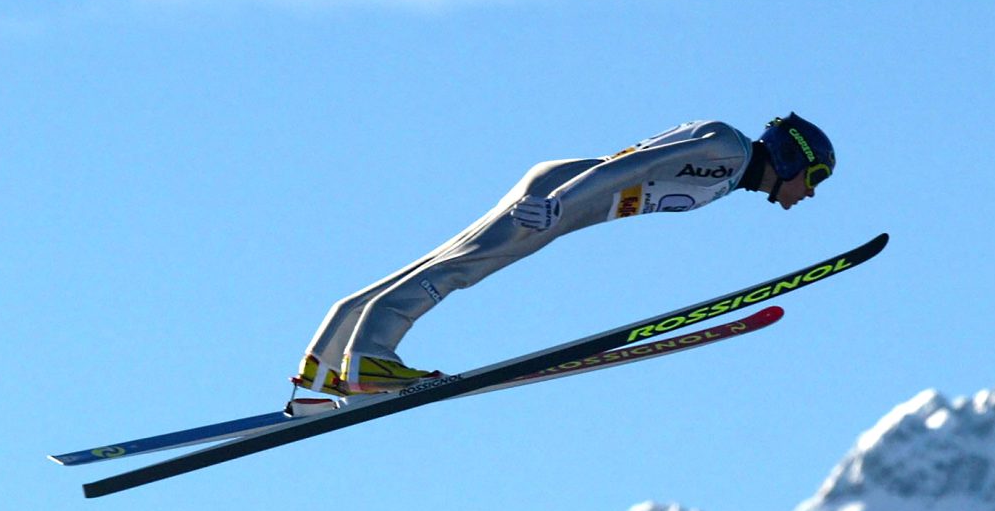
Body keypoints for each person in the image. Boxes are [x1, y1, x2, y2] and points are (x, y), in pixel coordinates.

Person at [293, 113, 836, 396]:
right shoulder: (730, 148)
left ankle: (322, 375)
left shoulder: (732, 172)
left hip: (567, 201)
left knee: (444, 262)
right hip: (562, 196)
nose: (809, 193)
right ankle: (368, 360)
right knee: (460, 269)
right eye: (813, 178)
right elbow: (634, 167)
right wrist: (556, 203)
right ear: (794, 158)